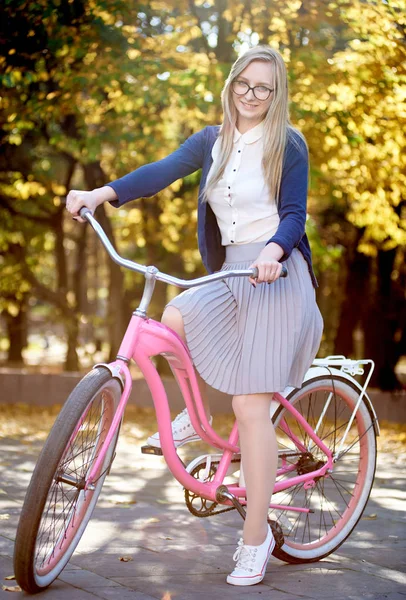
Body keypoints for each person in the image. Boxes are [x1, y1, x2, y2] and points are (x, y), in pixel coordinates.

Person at [66, 45, 323, 587]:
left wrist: (275, 251)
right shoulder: (212, 141)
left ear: (276, 96)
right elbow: (162, 171)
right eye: (244, 85)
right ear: (231, 85)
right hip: (231, 271)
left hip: (275, 275)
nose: (251, 96)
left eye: (264, 89)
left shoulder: (288, 145)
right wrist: (101, 192)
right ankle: (194, 419)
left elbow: (296, 214)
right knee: (173, 321)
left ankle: (255, 539)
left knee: (250, 406)